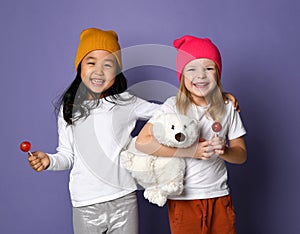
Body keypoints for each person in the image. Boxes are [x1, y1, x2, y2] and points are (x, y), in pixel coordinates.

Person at [27, 28, 239, 233]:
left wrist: (213, 95)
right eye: (91, 63)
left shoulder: (126, 102)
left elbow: (172, 112)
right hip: (84, 202)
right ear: (79, 67)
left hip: (124, 197)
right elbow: (66, 155)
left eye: (108, 64)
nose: (99, 71)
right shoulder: (69, 108)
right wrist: (49, 161)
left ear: (117, 71)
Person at [136, 35, 247, 234]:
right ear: (182, 76)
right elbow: (143, 143)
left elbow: (241, 154)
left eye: (209, 68)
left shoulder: (228, 107)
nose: (201, 75)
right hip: (184, 200)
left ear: (218, 73)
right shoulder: (173, 106)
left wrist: (224, 151)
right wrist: (190, 151)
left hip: (219, 196)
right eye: (192, 68)